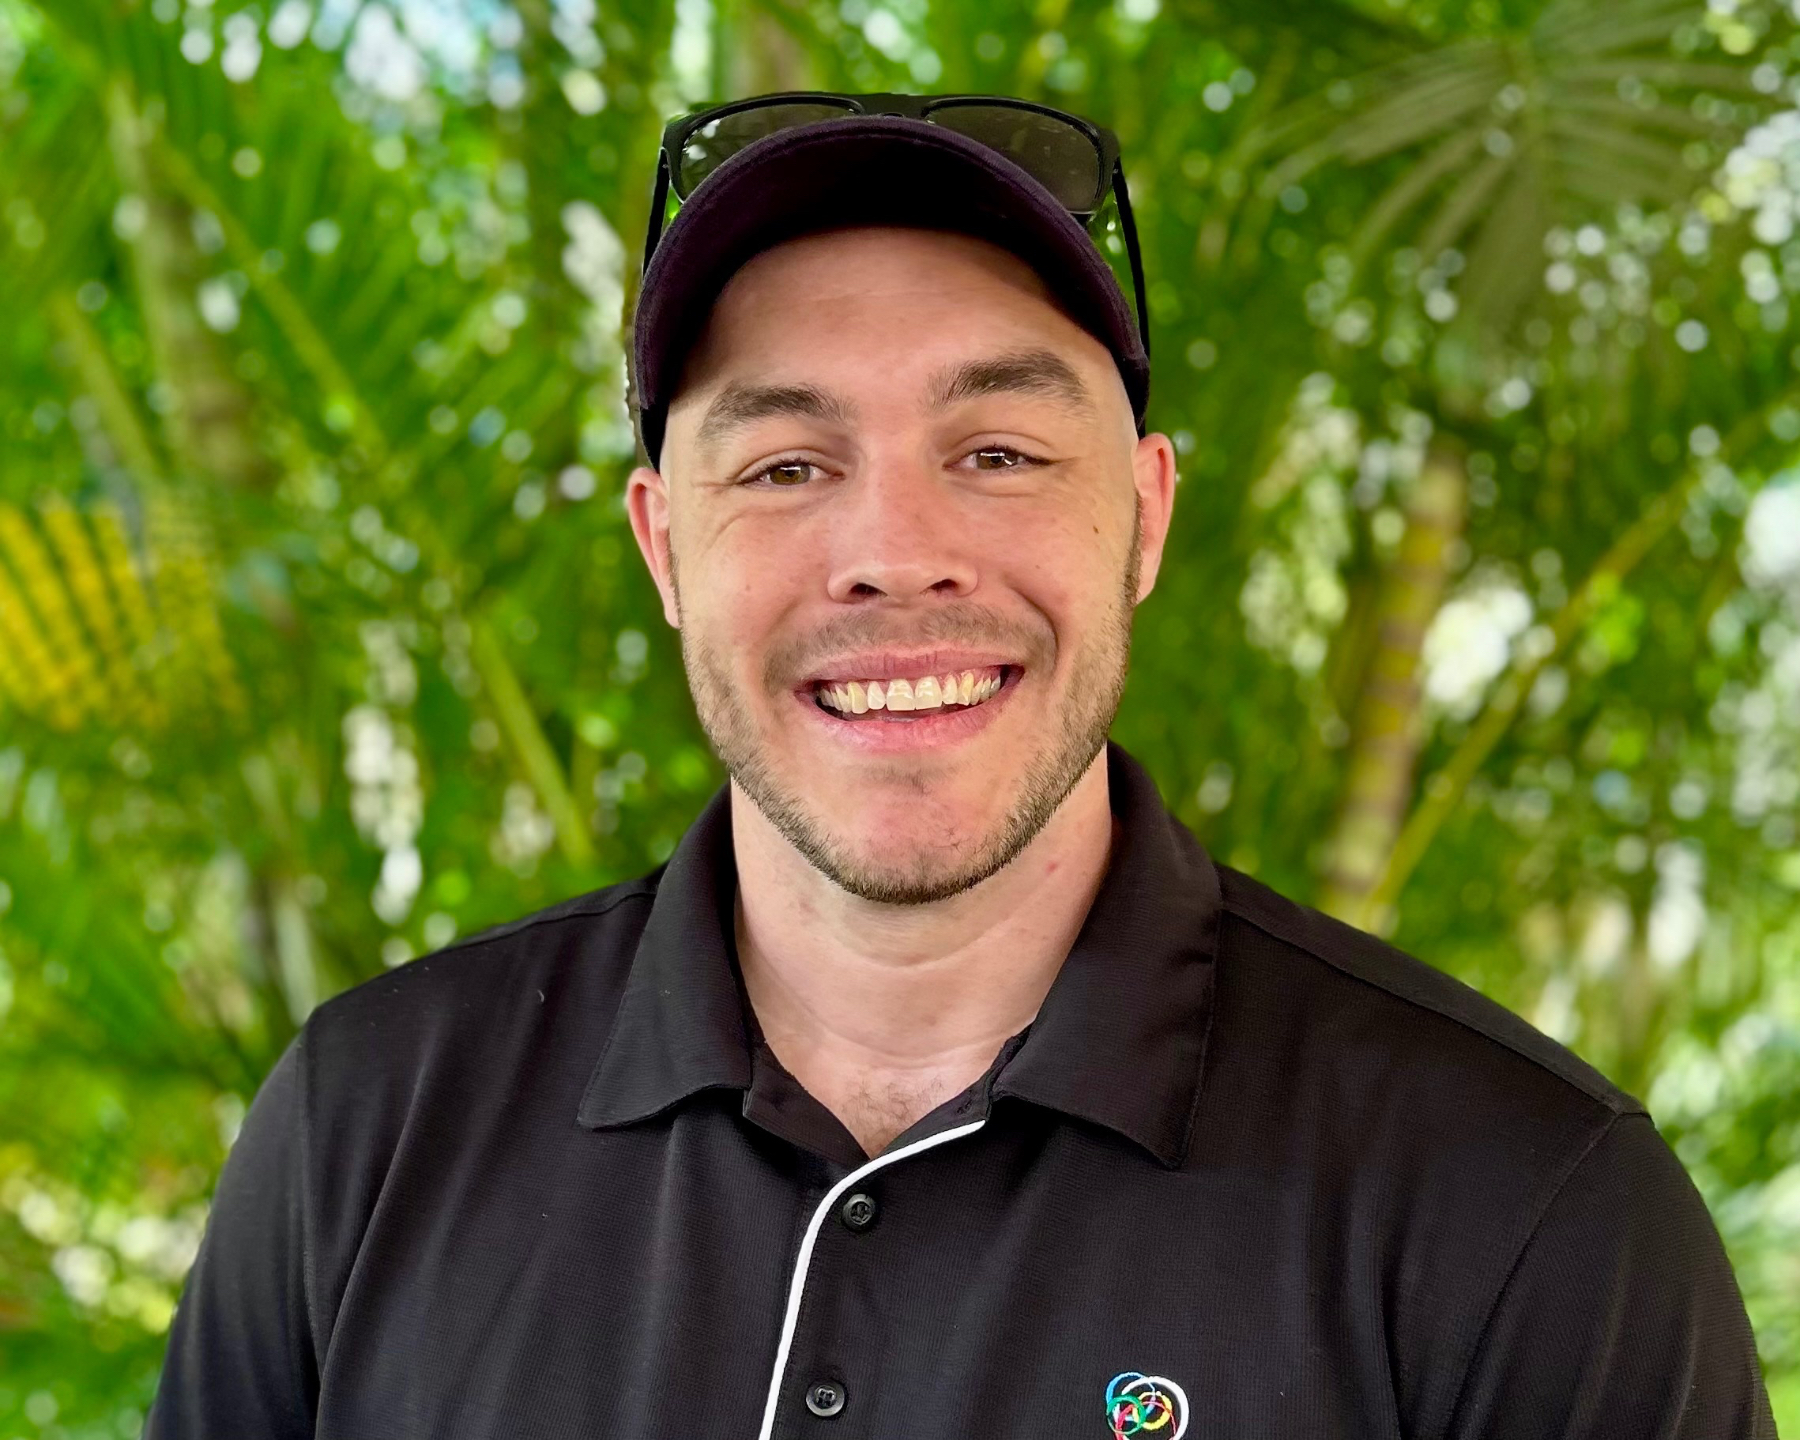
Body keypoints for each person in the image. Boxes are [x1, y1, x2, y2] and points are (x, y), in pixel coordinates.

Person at [147, 93, 1776, 1439]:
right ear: (663, 547)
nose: (892, 551)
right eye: (786, 464)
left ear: (1144, 516)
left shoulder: (1527, 1210)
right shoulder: (367, 1130)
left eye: (996, 451)